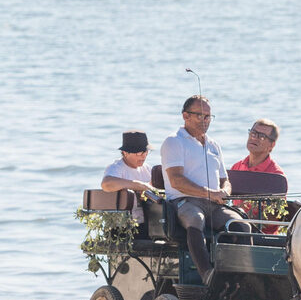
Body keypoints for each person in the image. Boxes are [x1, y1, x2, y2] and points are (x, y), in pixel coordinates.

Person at [161, 96, 250, 284]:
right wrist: (209, 193)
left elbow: (225, 180)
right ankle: (208, 275)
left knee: (242, 226)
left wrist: (225, 191)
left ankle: (241, 278)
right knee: (195, 218)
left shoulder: (213, 144)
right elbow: (176, 180)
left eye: (209, 116)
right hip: (184, 201)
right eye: (200, 116)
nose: (206, 121)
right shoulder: (174, 141)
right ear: (185, 115)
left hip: (214, 204)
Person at [231, 119, 286, 233]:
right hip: (234, 228)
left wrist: (246, 222)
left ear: (272, 145)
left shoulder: (276, 175)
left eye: (261, 136)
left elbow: (274, 217)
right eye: (253, 133)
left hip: (261, 237)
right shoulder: (236, 167)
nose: (254, 138)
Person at [102, 130, 155, 224]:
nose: (143, 156)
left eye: (146, 152)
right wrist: (137, 185)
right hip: (123, 225)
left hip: (147, 223)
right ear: (125, 152)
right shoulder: (116, 167)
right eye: (139, 153)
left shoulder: (147, 169)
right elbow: (106, 184)